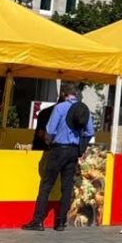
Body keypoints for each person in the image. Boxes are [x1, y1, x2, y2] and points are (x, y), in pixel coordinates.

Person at [22, 83, 84, 231]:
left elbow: (49, 129)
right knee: (67, 187)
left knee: (46, 186)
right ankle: (61, 222)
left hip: (57, 150)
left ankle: (38, 221)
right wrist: (80, 146)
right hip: (73, 151)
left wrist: (50, 141)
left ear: (63, 94)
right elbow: (89, 132)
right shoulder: (81, 109)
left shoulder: (59, 108)